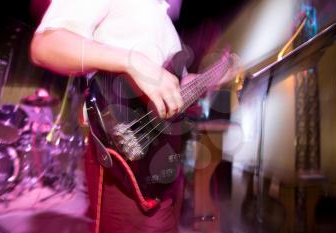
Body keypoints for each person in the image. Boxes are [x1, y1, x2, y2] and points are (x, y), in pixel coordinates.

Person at [30, 0, 237, 232]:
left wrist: (211, 77)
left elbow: (176, 86)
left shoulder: (166, 20)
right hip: (124, 151)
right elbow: (45, 45)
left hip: (165, 158)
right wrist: (132, 61)